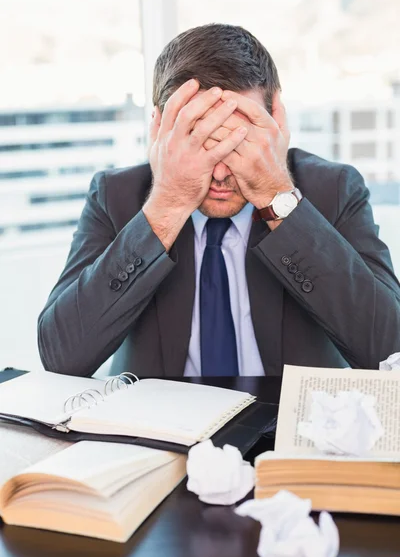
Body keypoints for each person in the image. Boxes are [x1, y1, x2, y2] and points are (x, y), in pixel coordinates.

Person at [38, 23, 400, 378]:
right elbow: (62, 358)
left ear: (276, 120)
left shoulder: (334, 189)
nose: (223, 171)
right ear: (159, 131)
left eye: (240, 141)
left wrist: (276, 198)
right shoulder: (116, 194)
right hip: (161, 431)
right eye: (199, 140)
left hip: (290, 429)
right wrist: (168, 204)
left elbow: (389, 350)